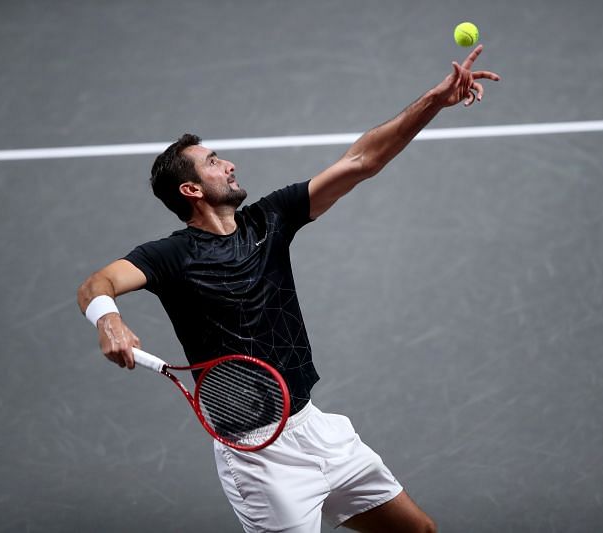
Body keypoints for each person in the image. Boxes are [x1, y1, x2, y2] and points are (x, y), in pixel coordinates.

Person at [77, 44, 499, 532]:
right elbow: (98, 283)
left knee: (419, 531)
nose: (229, 164)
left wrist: (434, 101)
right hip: (259, 461)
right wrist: (108, 318)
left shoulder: (270, 219)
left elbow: (361, 161)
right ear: (191, 190)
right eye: (213, 162)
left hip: (316, 428)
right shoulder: (170, 256)